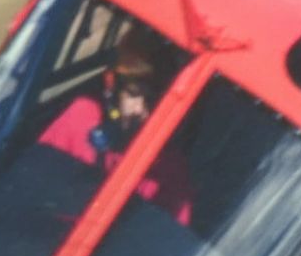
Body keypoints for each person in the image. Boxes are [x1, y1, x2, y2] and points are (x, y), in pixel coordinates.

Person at [38, 27, 192, 225]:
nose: (139, 109)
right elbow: (35, 181)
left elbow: (163, 241)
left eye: (153, 100)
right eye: (133, 93)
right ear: (113, 85)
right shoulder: (82, 116)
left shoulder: (168, 169)